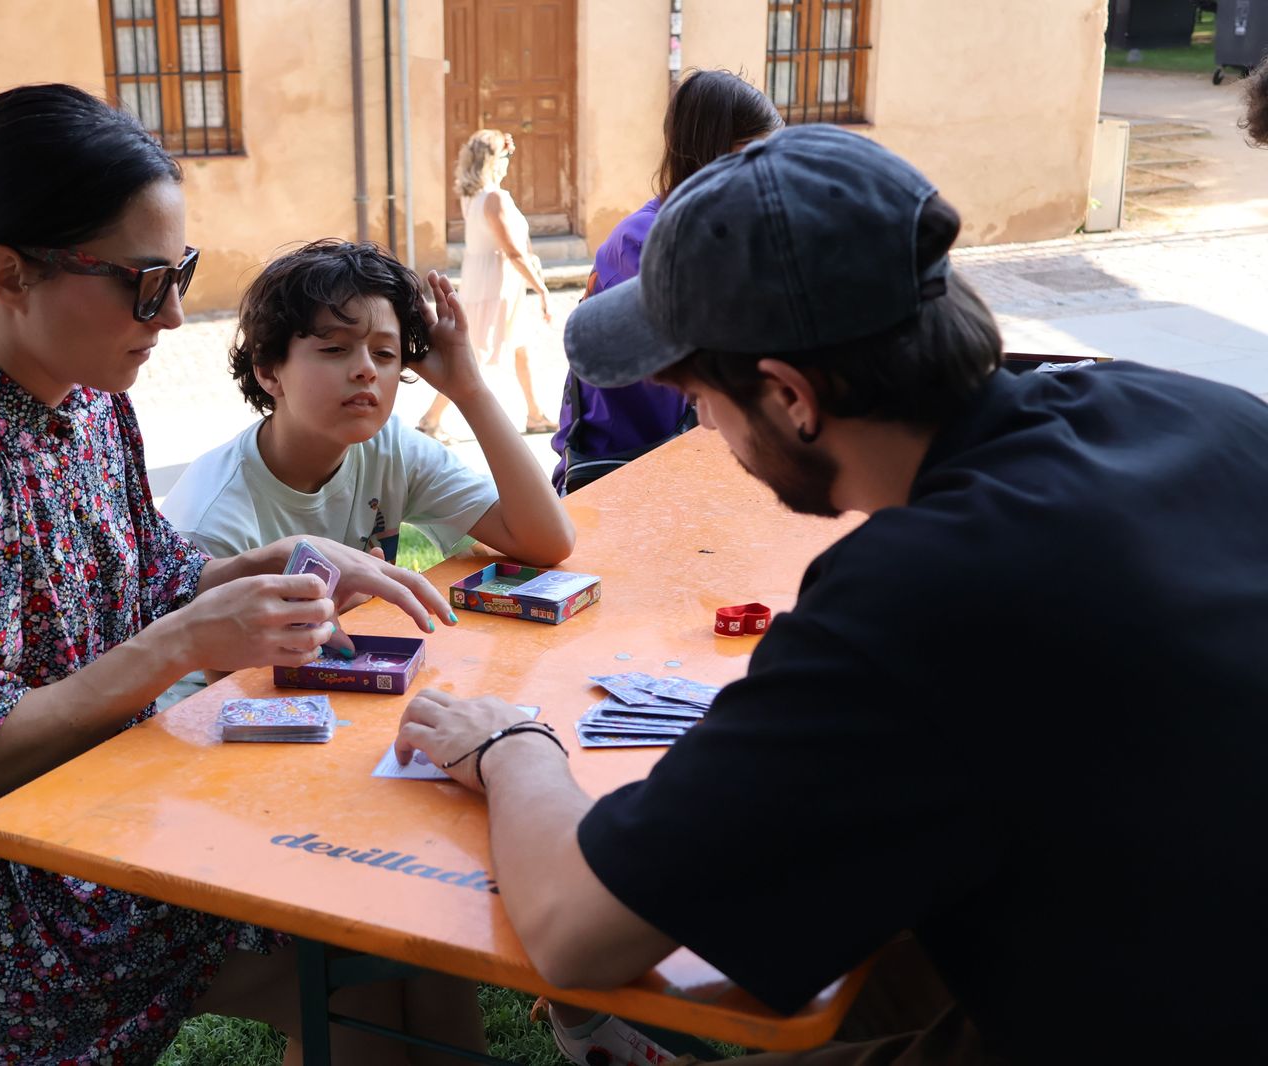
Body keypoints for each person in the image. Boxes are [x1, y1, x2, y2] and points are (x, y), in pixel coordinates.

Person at [388, 125, 1268, 1064]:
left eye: (698, 394)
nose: (702, 423)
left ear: (790, 397)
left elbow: (575, 929)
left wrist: (512, 748)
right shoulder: (1205, 414)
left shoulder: (921, 594)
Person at [0, 83, 478, 1066]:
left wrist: (277, 562)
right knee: (368, 953)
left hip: (109, 826)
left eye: (180, 273)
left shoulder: (87, 405)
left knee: (410, 925)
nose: (171, 313)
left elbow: (154, 577)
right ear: (9, 275)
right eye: (143, 281)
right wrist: (181, 644)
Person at [162, 239, 575, 568]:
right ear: (270, 371)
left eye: (384, 353)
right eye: (334, 349)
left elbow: (547, 541)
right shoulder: (211, 524)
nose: (366, 370)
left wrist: (470, 393)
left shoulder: (390, 450)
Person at [552, 68, 782, 495]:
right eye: (751, 154)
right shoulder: (643, 240)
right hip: (621, 462)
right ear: (711, 153)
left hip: (681, 457)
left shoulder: (720, 230)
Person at [416, 129, 557, 441]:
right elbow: (513, 251)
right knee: (474, 354)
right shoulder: (495, 198)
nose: (509, 162)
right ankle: (430, 419)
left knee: (520, 347)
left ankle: (535, 414)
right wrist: (542, 288)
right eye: (506, 156)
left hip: (490, 282)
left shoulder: (473, 197)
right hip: (495, 285)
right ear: (493, 161)